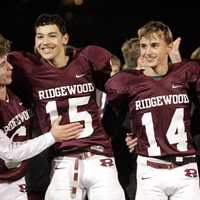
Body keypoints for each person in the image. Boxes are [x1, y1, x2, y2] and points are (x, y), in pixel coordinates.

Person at [7, 13, 125, 200]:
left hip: (100, 157)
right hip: (62, 161)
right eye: (40, 36)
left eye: (52, 35)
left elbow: (120, 94)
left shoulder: (86, 59)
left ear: (65, 38)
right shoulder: (29, 67)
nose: (45, 42)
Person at [105, 20, 200, 200]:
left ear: (169, 46)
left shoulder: (186, 75)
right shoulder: (128, 82)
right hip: (150, 169)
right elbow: (117, 122)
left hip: (185, 169)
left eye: (154, 45)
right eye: (144, 46)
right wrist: (134, 134)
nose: (148, 51)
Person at [0, 34, 82, 200]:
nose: (10, 67)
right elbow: (10, 153)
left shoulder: (17, 91)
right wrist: (52, 136)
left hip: (20, 180)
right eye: (2, 64)